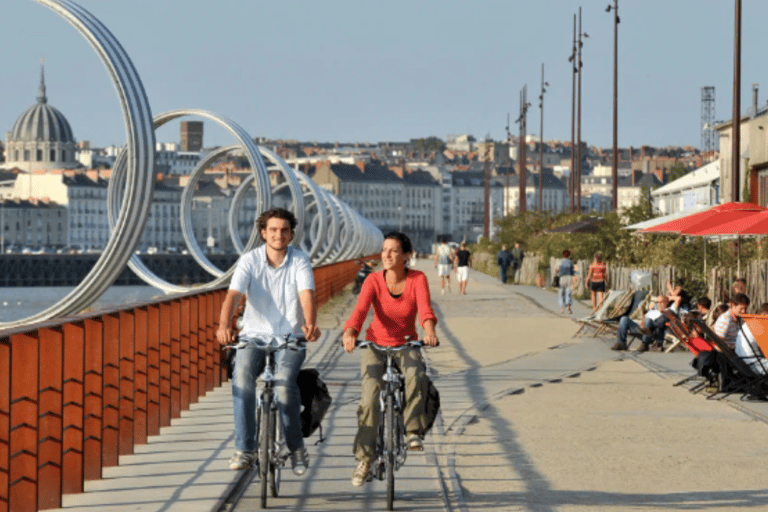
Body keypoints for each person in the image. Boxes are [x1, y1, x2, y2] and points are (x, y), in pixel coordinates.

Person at [216, 207, 321, 475]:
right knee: (241, 379)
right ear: (263, 233)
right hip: (253, 335)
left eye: (284, 230)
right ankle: (245, 449)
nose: (278, 235)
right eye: (272, 230)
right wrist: (223, 326)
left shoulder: (299, 260)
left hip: (290, 337)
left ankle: (296, 448)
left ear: (291, 233)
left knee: (285, 385)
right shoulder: (249, 261)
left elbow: (306, 292)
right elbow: (233, 295)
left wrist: (309, 322)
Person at [343, 231, 438, 487]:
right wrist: (351, 332)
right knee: (371, 397)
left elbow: (426, 310)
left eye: (394, 250)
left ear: (407, 256)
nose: (386, 255)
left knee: (416, 374)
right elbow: (360, 310)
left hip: (406, 343)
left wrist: (429, 331)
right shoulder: (373, 280)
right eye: (385, 250)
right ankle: (365, 459)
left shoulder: (418, 279)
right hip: (375, 344)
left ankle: (412, 431)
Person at [611, 295, 676, 352]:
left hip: (653, 335)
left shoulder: (668, 312)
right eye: (657, 302)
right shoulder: (653, 311)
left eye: (661, 302)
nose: (659, 304)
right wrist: (642, 323)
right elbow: (644, 319)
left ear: (666, 303)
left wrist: (668, 299)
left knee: (649, 320)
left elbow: (660, 324)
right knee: (624, 319)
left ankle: (645, 344)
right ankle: (621, 343)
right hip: (643, 331)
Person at [554, 249, 576, 314]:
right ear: (569, 255)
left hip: (562, 278)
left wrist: (559, 271)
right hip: (569, 278)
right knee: (568, 292)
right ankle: (569, 306)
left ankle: (562, 308)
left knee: (561, 293)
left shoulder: (560, 261)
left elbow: (556, 270)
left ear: (563, 255)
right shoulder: (570, 262)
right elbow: (572, 271)